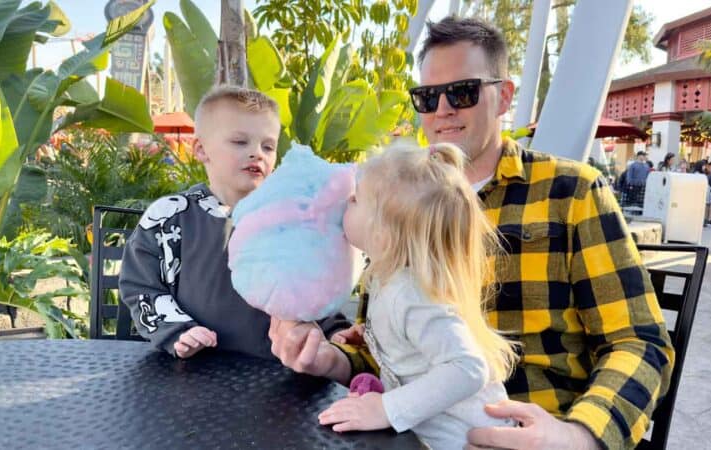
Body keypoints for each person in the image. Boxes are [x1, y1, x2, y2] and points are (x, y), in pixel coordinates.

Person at [269, 16, 674, 450]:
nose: (442, 109)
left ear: (504, 97)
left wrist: (578, 435)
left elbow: (638, 341)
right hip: (420, 432)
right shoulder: (395, 200)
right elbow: (391, 349)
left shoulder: (571, 191)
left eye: (462, 92)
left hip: (542, 424)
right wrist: (326, 359)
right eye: (427, 97)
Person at [119, 86, 348, 359]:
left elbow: (313, 286)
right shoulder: (171, 217)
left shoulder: (291, 220)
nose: (257, 153)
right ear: (201, 150)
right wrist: (176, 330)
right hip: (190, 372)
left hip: (274, 375)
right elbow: (140, 284)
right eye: (240, 142)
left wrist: (335, 330)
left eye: (268, 146)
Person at [317, 143, 519, 449]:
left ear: (384, 232)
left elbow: (468, 368)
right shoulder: (392, 281)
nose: (348, 201)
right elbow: (414, 340)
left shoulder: (409, 294)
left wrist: (387, 409)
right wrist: (371, 336)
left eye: (357, 199)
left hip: (468, 440)